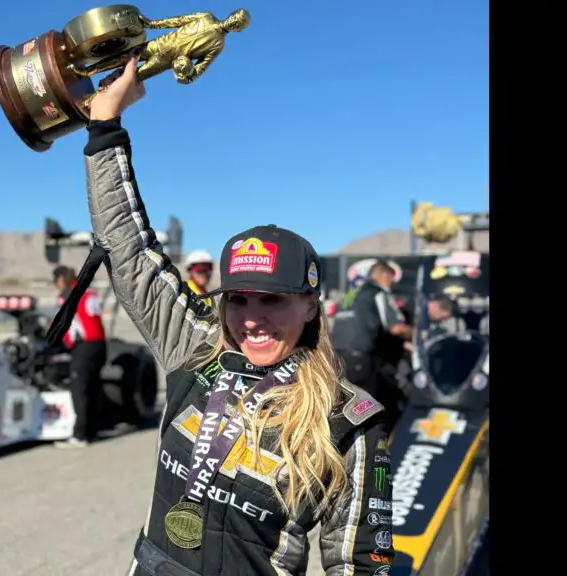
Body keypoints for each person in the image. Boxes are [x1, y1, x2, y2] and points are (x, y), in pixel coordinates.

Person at [74, 56, 394, 575]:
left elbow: (362, 564)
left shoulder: (349, 421)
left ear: (311, 304)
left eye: (274, 299)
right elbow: (128, 249)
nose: (251, 319)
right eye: (239, 299)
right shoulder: (195, 350)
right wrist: (106, 125)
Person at [329, 261, 410, 431]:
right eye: (391, 279)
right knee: (368, 412)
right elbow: (396, 327)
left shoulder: (350, 294)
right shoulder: (378, 293)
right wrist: (416, 336)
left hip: (336, 358)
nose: (392, 284)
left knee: (342, 409)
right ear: (384, 276)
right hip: (361, 359)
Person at [51, 265, 117, 448]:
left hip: (85, 347)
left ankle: (80, 435)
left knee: (79, 390)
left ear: (62, 279)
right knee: (93, 388)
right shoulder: (88, 291)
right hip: (100, 345)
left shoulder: (67, 295)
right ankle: (92, 431)